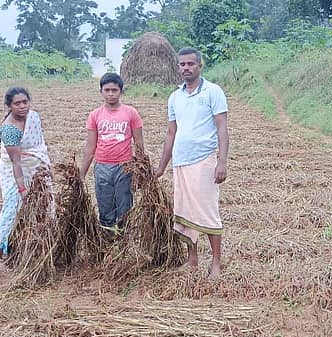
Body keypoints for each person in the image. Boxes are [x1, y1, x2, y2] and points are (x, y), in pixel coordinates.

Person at [154, 47, 230, 279]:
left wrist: (222, 161)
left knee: (207, 211)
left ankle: (216, 263)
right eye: (182, 64)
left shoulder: (212, 92)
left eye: (190, 64)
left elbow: (222, 127)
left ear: (200, 66)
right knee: (184, 210)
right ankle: (192, 259)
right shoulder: (175, 97)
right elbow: (170, 133)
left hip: (205, 159)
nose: (186, 68)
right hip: (181, 161)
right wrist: (161, 167)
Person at [0, 86, 53, 271]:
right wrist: (22, 189)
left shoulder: (33, 117)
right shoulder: (9, 129)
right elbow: (16, 162)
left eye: (25, 102)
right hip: (15, 172)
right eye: (17, 103)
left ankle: (32, 246)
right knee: (11, 208)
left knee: (43, 206)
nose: (22, 106)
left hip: (36, 168)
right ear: (9, 106)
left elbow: (38, 144)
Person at [80, 72, 144, 232]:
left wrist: (141, 171)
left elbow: (139, 144)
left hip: (125, 167)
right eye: (107, 90)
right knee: (105, 207)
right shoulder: (95, 115)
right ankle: (108, 241)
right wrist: (81, 174)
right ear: (101, 91)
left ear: (121, 91)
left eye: (114, 90)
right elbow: (90, 146)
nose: (110, 94)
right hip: (102, 167)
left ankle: (124, 242)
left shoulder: (131, 113)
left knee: (125, 209)